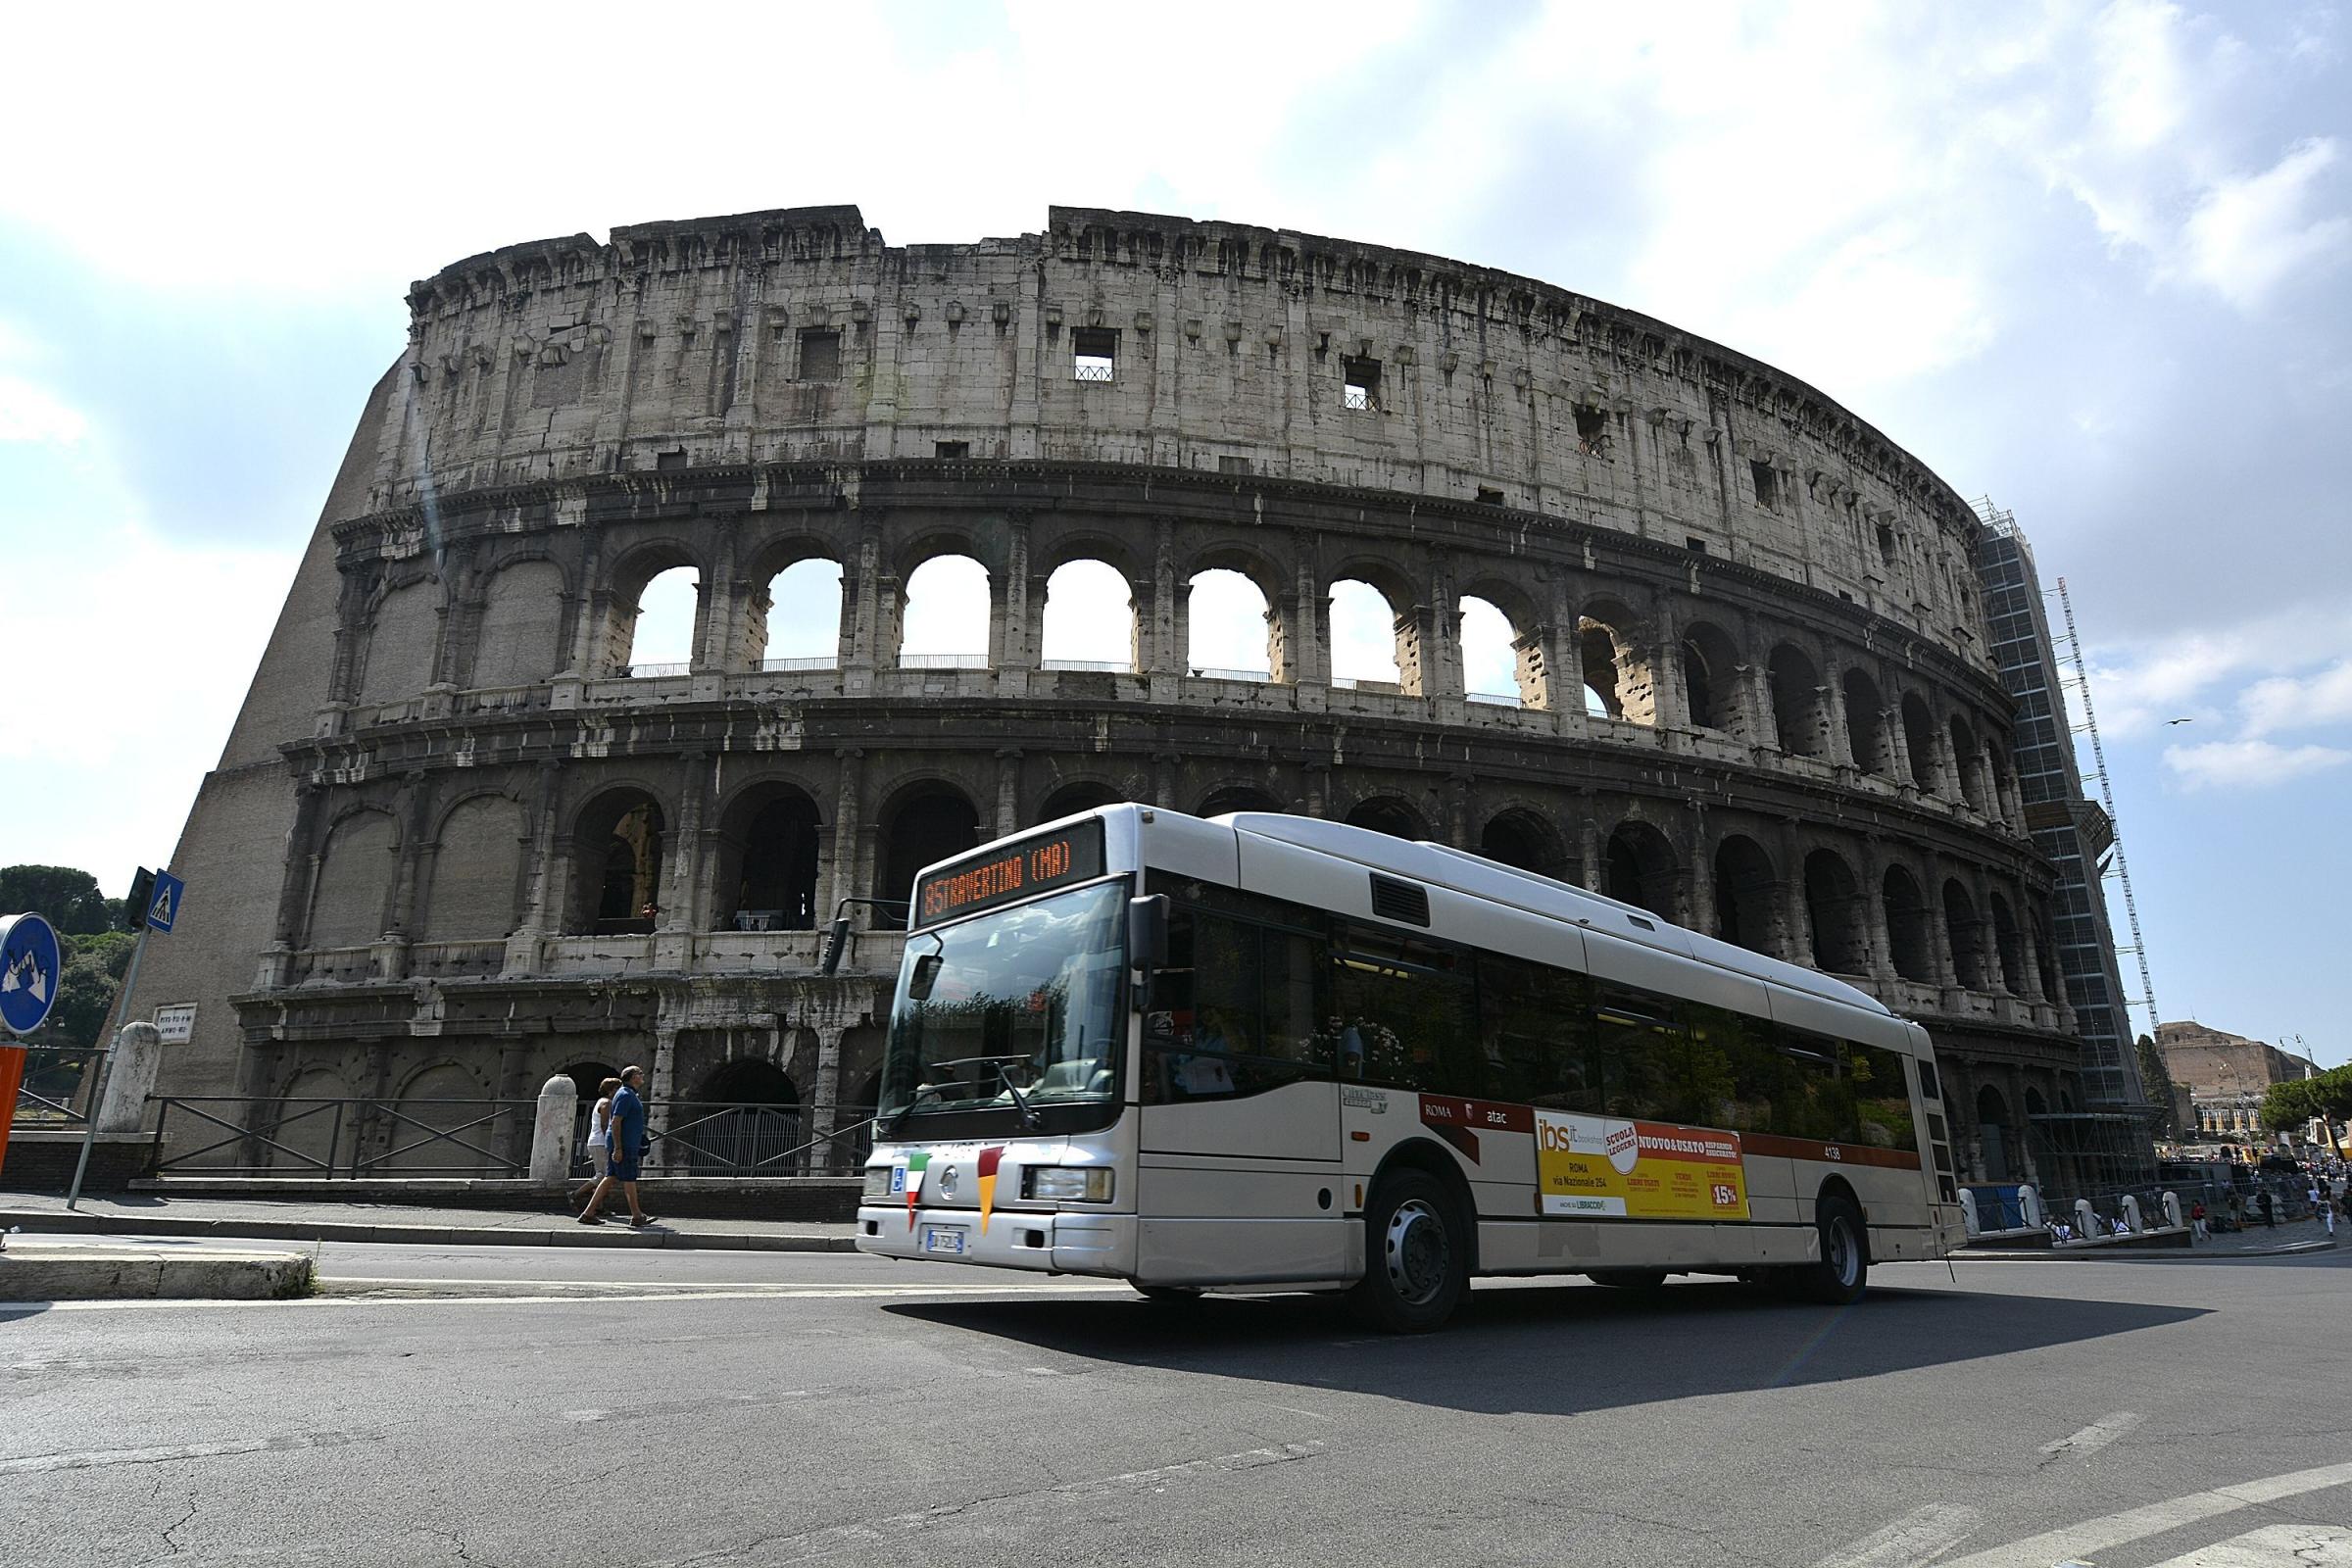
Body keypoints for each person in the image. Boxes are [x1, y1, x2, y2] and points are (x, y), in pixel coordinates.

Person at [579, 1064, 657, 1228]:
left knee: (610, 1178)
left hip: (626, 1142)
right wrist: (618, 1148)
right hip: (624, 1144)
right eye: (639, 1073)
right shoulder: (626, 1095)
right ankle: (637, 1216)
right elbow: (615, 1121)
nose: (642, 1075)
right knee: (629, 1178)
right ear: (632, 1077)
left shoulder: (629, 1094)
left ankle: (588, 1213)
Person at [568, 1077, 622, 1208]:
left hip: (596, 1141)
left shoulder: (601, 1101)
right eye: (618, 1088)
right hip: (600, 1142)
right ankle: (575, 1194)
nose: (620, 1091)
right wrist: (611, 1142)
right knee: (604, 1175)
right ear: (611, 1091)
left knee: (604, 1174)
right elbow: (605, 1124)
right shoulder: (607, 1103)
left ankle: (598, 1207)